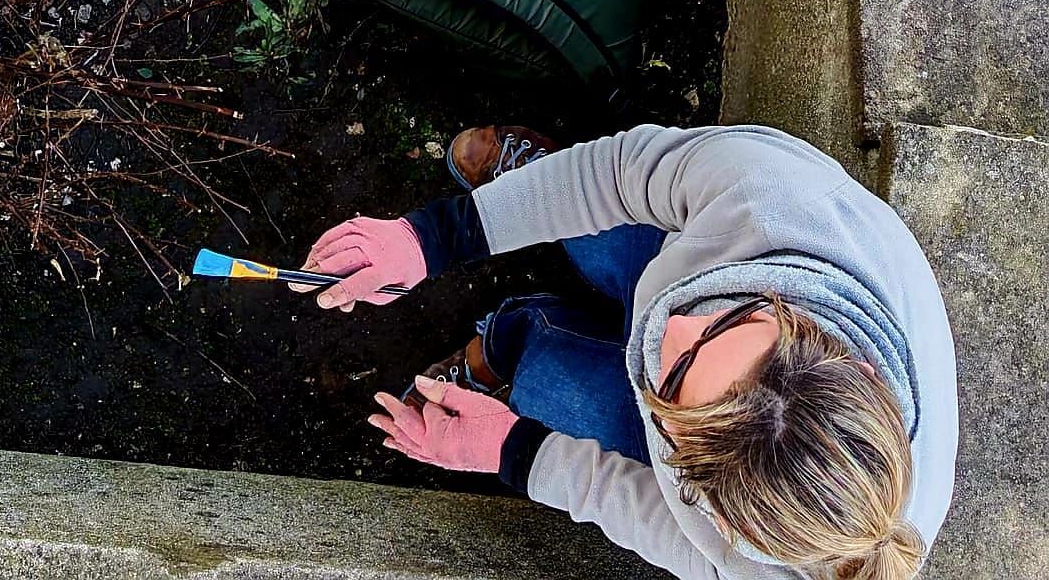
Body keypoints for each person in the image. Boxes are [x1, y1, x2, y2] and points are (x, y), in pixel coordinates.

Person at [302, 123, 958, 580]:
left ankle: (514, 335)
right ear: (848, 362)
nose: (665, 332)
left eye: (675, 385)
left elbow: (676, 538)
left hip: (697, 273)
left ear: (730, 525)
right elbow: (616, 173)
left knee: (544, 386)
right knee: (603, 222)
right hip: (694, 237)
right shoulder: (770, 191)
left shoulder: (763, 552)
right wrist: (432, 239)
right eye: (725, 326)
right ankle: (535, 183)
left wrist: (511, 451)